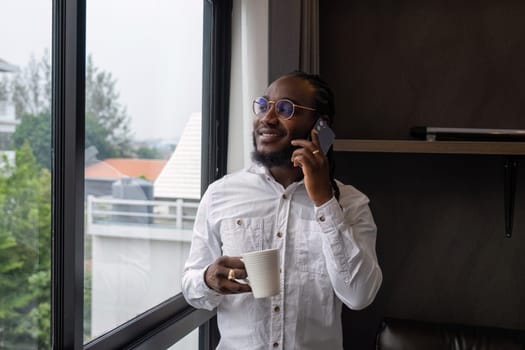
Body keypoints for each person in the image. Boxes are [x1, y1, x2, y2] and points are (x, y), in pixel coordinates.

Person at [182, 71, 382, 350]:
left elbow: (359, 295)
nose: (267, 117)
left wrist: (324, 201)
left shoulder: (351, 203)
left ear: (320, 126)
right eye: (264, 105)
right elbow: (191, 284)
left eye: (286, 108)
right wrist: (207, 279)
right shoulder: (220, 194)